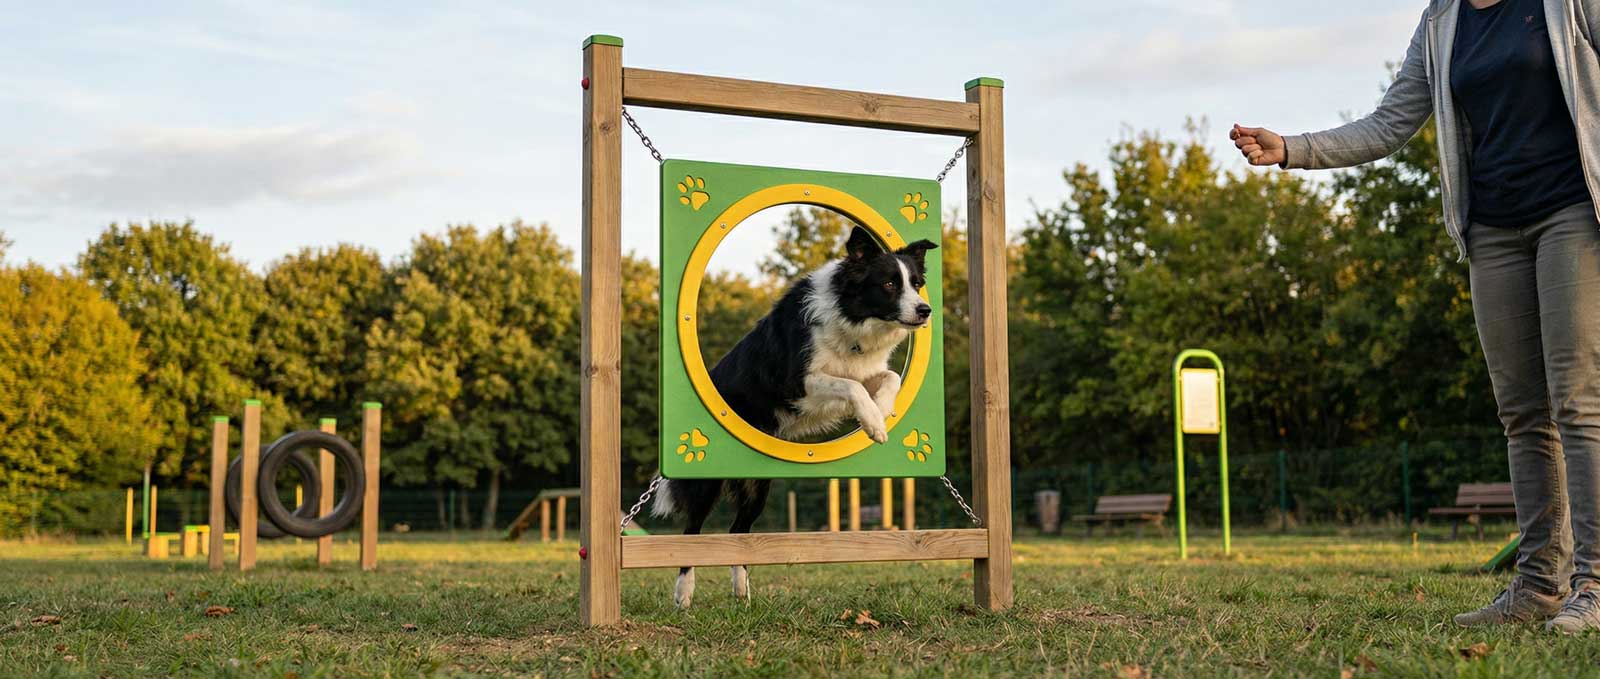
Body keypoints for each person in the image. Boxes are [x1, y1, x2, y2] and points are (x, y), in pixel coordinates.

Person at [1231, 0, 1600, 633]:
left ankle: (1593, 585)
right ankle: (1540, 585)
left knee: (1577, 399)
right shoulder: (1442, 21)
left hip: (1572, 210)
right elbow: (1388, 124)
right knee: (1521, 412)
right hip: (1492, 229)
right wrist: (1292, 148)